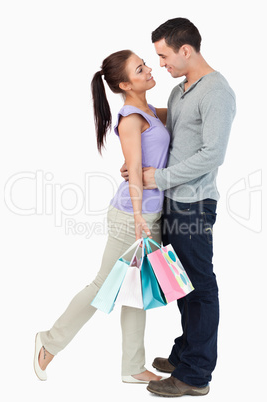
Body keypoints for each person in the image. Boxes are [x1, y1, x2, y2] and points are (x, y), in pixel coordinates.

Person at [33, 50, 170, 384]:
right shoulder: (131, 117)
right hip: (132, 216)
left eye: (146, 63)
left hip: (149, 215)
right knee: (102, 288)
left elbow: (179, 116)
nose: (150, 69)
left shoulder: (150, 110)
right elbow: (134, 169)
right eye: (141, 68)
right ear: (124, 83)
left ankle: (133, 368)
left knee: (139, 289)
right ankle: (49, 342)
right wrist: (140, 217)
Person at [121, 18, 236, 397]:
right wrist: (138, 147)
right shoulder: (180, 90)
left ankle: (195, 375)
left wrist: (159, 178)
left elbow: (212, 153)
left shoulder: (216, 91)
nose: (161, 65)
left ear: (185, 50)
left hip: (193, 204)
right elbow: (175, 122)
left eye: (164, 56)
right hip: (173, 202)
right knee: (182, 286)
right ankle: (187, 351)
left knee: (200, 287)